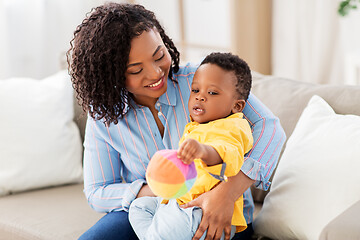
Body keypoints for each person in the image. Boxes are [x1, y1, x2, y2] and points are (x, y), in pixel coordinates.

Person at [67, 2, 286, 240]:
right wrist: (162, 189)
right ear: (111, 74)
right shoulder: (105, 115)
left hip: (216, 211)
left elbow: (269, 127)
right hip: (151, 207)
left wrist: (227, 192)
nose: (155, 73)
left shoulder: (202, 81)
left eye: (159, 55)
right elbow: (98, 190)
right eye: (136, 70)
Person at [129, 52, 254, 240]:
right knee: (138, 207)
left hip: (203, 211)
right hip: (179, 203)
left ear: (236, 106)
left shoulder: (234, 126)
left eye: (212, 93)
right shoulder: (197, 125)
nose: (200, 97)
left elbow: (229, 155)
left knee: (160, 234)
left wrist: (204, 151)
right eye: (195, 90)